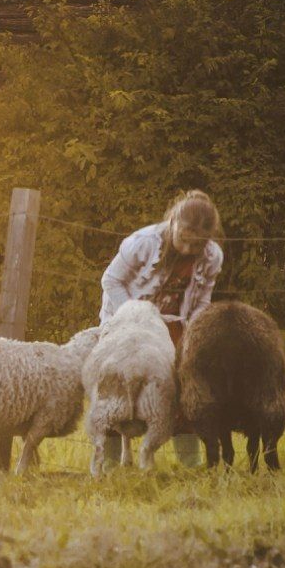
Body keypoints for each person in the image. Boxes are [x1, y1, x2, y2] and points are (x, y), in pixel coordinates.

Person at [100, 189, 224, 466]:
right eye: (184, 240)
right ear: (173, 222)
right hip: (128, 323)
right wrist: (135, 316)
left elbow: (202, 300)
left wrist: (195, 332)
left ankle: (188, 464)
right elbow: (110, 281)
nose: (188, 250)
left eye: (196, 246)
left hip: (174, 328)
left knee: (181, 390)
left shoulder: (212, 256)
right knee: (119, 388)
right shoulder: (141, 243)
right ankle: (107, 464)